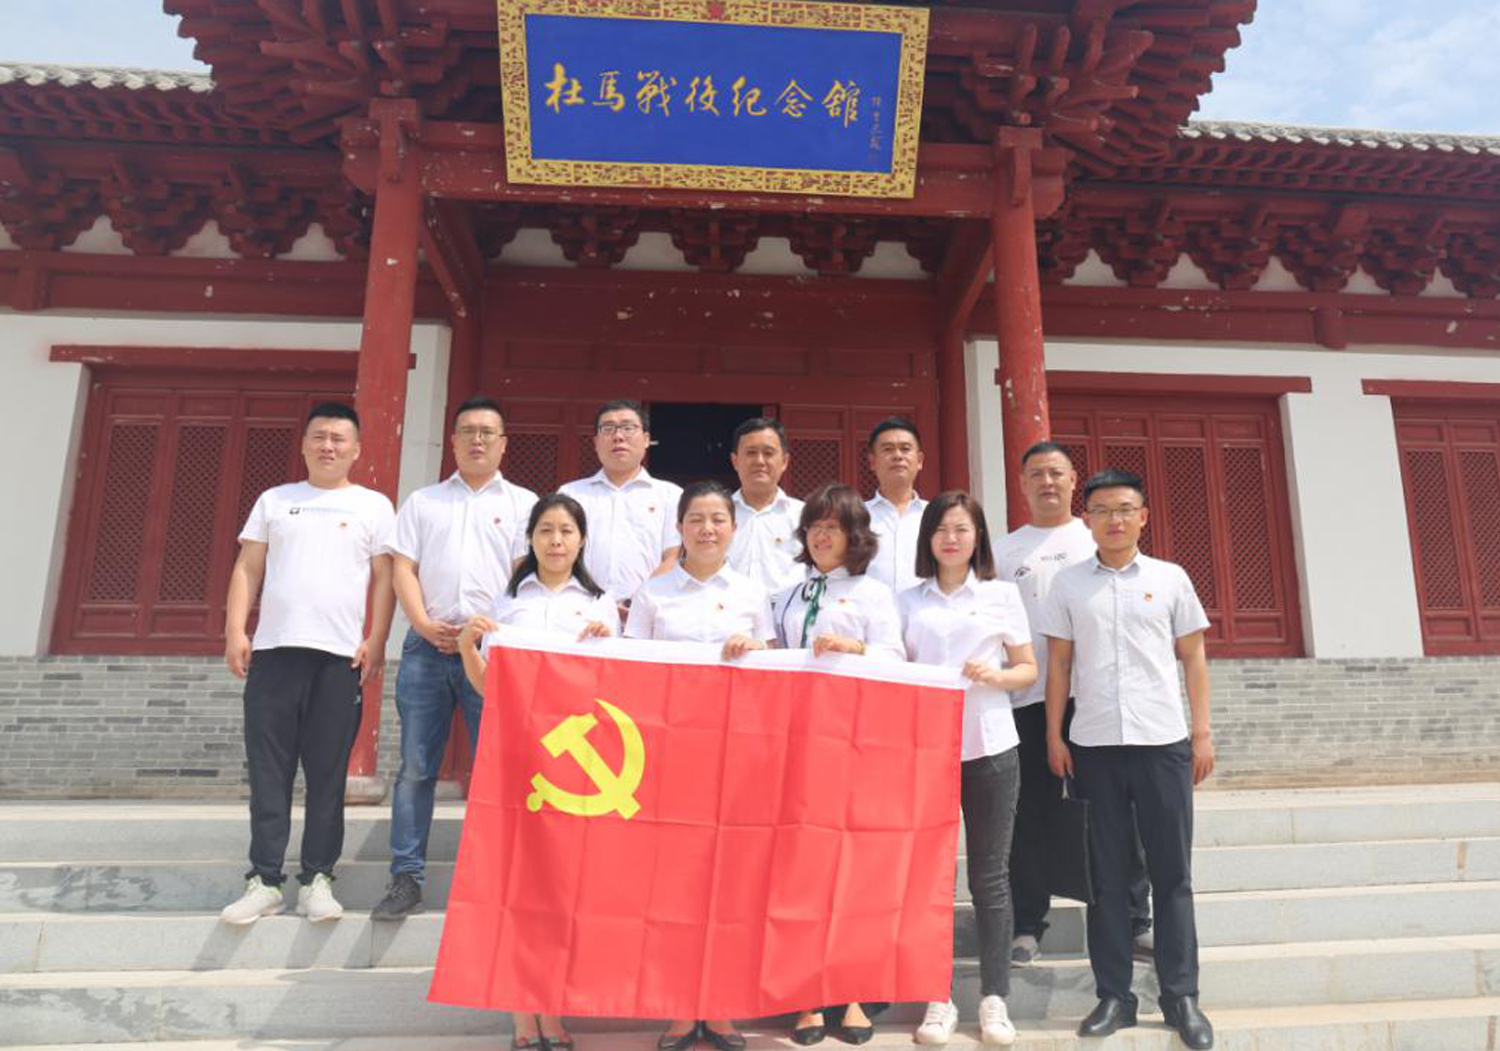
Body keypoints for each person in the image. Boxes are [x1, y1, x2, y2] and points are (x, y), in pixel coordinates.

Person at [1041, 469, 1216, 1050]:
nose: (1113, 520)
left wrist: (1202, 733)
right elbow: (1059, 665)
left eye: (1124, 509)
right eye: (1101, 510)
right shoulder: (1068, 584)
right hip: (1094, 746)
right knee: (1107, 880)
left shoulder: (1170, 579)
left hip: (1162, 743)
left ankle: (1181, 996)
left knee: (1172, 876)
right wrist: (1054, 736)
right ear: (1086, 518)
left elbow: (1193, 658)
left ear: (1142, 516)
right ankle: (1114, 997)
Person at [219, 401, 395, 925]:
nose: (328, 446)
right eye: (319, 437)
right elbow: (248, 567)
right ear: (304, 445)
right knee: (269, 772)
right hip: (274, 652)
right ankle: (265, 881)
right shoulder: (275, 500)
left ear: (356, 450)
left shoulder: (373, 506)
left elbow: (385, 578)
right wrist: (235, 630)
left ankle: (318, 879)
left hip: (338, 660)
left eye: (339, 439)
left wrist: (377, 638)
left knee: (327, 776)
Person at [456, 492, 616, 1051]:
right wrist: (468, 647)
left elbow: (616, 693)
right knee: (518, 884)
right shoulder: (507, 604)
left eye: (566, 531)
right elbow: (488, 685)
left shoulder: (601, 606)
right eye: (546, 530)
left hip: (576, 769)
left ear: (582, 540)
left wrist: (606, 648)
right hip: (518, 757)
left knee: (564, 887)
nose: (555, 541)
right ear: (530, 538)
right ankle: (523, 1014)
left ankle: (555, 1009)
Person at [623, 480, 775, 1051]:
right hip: (670, 758)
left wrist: (755, 651)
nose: (707, 529)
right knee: (674, 888)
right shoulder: (653, 593)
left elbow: (774, 674)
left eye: (718, 519)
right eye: (696, 519)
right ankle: (680, 1010)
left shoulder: (752, 594)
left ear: (733, 529)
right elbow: (630, 672)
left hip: (736, 759)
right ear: (679, 528)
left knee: (730, 886)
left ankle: (722, 1008)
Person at [374, 397, 538, 921]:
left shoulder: (524, 504)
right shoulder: (423, 502)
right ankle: (406, 877)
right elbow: (402, 567)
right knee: (416, 768)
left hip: (491, 650)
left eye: (488, 432)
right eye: (467, 431)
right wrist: (423, 623)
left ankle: (497, 878)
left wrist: (480, 631)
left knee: (499, 768)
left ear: (504, 443)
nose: (477, 440)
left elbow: (525, 575)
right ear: (452, 441)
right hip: (428, 646)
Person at [993, 442, 1151, 964]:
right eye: (1036, 473)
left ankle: (1134, 919)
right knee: (1028, 813)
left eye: (1056, 473)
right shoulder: (1004, 552)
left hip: (1095, 698)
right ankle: (1026, 923)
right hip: (1028, 700)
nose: (1047, 482)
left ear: (1072, 480)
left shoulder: (1095, 539)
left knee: (1116, 810)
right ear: (1021, 483)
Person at [901, 492, 1037, 1047]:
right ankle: (938, 998)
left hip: (991, 745)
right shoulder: (908, 600)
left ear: (977, 536)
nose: (951, 538)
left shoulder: (1001, 595)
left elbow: (1027, 669)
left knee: (989, 877)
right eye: (941, 529)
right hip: (926, 752)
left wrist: (996, 676)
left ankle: (993, 997)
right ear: (928, 539)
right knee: (930, 878)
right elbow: (893, 669)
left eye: (961, 529)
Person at [771, 483, 903, 1046]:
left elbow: (896, 657)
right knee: (800, 870)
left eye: (834, 526)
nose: (822, 536)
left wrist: (857, 650)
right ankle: (804, 995)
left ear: (855, 536)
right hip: (795, 746)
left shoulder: (874, 594)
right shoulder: (787, 595)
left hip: (854, 743)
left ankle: (850, 992)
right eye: (815, 526)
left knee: (850, 869)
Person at [559, 400, 682, 616]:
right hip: (580, 613)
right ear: (596, 442)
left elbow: (674, 556)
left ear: (646, 439)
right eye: (608, 428)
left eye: (628, 427)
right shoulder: (570, 495)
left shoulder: (671, 496)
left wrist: (636, 602)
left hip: (649, 614)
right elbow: (556, 554)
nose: (618, 436)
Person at [726, 416, 805, 595]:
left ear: (784, 462)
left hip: (786, 610)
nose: (759, 461)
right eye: (751, 453)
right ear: (735, 461)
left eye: (768, 453)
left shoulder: (804, 515)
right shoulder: (718, 516)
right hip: (729, 609)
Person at [863, 417, 928, 594]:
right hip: (869, 610)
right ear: (872, 462)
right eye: (888, 449)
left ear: (919, 460)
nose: (898, 456)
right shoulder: (856, 516)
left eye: (905, 449)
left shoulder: (936, 515)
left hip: (924, 609)